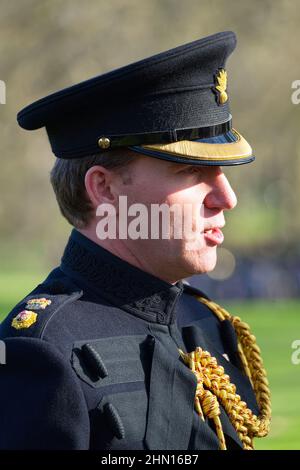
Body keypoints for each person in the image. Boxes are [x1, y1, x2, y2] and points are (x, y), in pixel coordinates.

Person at [0, 31, 271, 450]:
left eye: (224, 173)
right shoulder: (41, 353)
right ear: (105, 190)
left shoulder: (205, 323)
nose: (227, 198)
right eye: (191, 173)